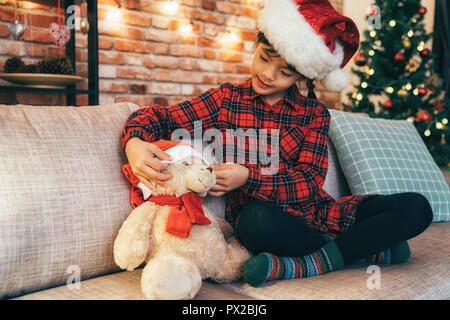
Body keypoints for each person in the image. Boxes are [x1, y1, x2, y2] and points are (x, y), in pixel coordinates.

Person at [121, 0, 433, 287]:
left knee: (418, 208)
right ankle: (361, 250)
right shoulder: (226, 100)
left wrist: (248, 177)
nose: (268, 75)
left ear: (302, 76)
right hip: (267, 225)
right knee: (254, 221)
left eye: (284, 72)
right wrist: (134, 141)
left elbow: (309, 182)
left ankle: (312, 262)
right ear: (255, 46)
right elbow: (160, 117)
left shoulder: (313, 114)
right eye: (264, 58)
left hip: (323, 215)